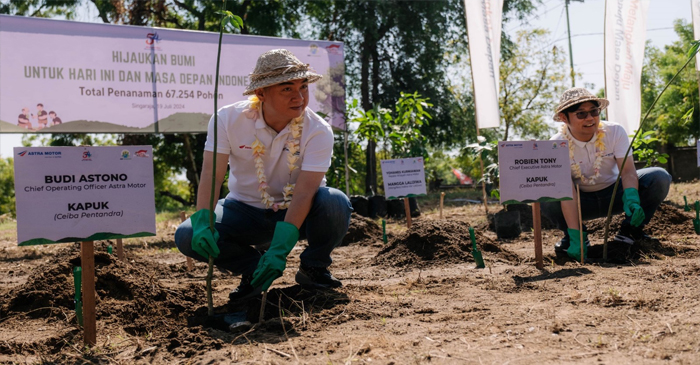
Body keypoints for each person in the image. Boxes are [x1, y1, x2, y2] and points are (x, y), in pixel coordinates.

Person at [175, 49, 352, 302]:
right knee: (187, 234)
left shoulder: (318, 131)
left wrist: (280, 249)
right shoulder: (227, 119)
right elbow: (212, 175)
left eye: (303, 87)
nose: (299, 97)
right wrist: (204, 220)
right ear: (261, 93)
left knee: (335, 202)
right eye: (287, 89)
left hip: (299, 212)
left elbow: (304, 192)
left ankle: (314, 267)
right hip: (243, 210)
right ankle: (253, 270)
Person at [541, 88, 671, 261]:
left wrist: (631, 198)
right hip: (581, 202)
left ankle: (629, 233)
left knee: (659, 177)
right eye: (581, 114)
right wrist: (575, 233)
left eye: (594, 112)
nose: (590, 118)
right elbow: (567, 192)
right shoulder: (557, 144)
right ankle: (575, 238)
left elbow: (628, 171)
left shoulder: (615, 131)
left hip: (615, 194)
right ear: (565, 118)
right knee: (544, 195)